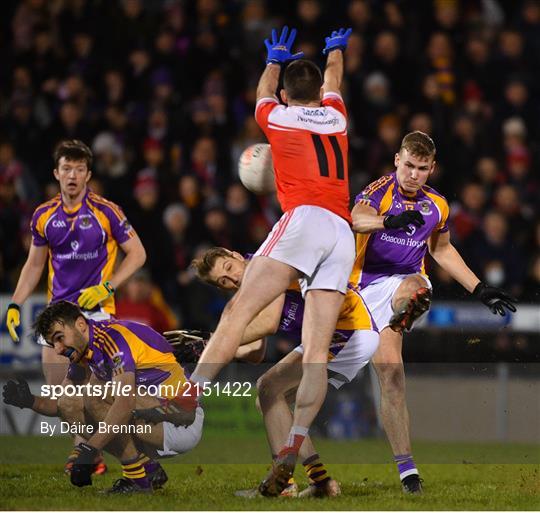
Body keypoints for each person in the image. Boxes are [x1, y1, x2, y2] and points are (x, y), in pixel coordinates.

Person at [135, 26, 356, 496]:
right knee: (315, 352)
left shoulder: (276, 116)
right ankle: (295, 448)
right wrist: (337, 50)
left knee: (236, 311)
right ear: (319, 91)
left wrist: (272, 59)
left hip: (305, 217)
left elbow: (260, 93)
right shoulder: (336, 114)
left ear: (283, 92)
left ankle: (188, 394)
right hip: (341, 230)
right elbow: (334, 78)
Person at [350, 130, 517, 493]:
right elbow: (356, 217)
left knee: (416, 292)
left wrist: (479, 288)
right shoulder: (380, 191)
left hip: (404, 282)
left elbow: (441, 251)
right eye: (408, 165)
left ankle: (409, 475)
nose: (413, 174)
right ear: (397, 160)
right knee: (375, 376)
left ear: (431, 169)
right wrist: (387, 221)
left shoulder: (436, 205)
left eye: (422, 168)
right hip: (362, 290)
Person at [177, 246, 379, 497]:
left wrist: (215, 340)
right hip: (333, 333)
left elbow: (269, 324)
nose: (232, 280)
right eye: (223, 281)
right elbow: (255, 353)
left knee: (269, 388)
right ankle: (316, 482)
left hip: (348, 328)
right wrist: (215, 348)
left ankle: (286, 482)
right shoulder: (249, 289)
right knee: (270, 399)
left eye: (229, 268)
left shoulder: (264, 266)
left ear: (236, 255)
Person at [2, 300, 203, 494]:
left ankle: (137, 479)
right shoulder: (87, 351)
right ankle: (146, 471)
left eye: (59, 337)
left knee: (95, 394)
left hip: (179, 419)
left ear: (81, 324)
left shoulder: (113, 340)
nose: (58, 349)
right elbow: (62, 406)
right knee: (70, 400)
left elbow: (124, 404)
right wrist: (29, 400)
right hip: (153, 417)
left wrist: (89, 451)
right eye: (52, 343)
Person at [5, 139, 146, 387]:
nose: (73, 175)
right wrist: (16, 303)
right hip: (57, 313)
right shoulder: (43, 215)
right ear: (56, 173)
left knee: (98, 400)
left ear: (88, 175)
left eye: (79, 169)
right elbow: (35, 265)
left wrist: (108, 287)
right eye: (67, 168)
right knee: (61, 400)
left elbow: (138, 254)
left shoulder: (107, 211)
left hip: (97, 313)